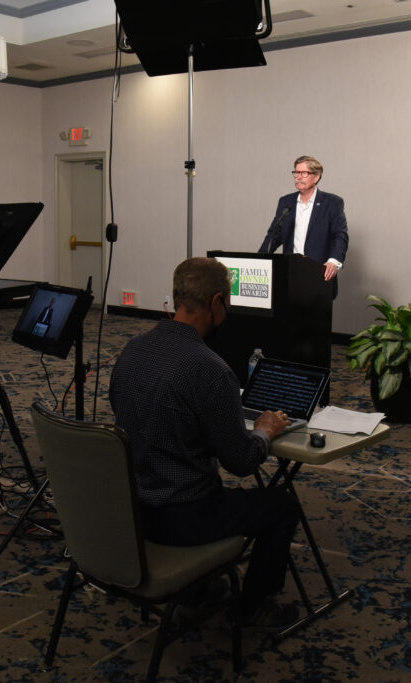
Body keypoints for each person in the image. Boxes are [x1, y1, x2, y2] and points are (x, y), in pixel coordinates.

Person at [109, 257, 303, 628]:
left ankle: (200, 591)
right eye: (227, 304)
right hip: (184, 518)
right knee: (282, 506)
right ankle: (250, 610)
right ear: (216, 302)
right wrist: (264, 430)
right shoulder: (210, 370)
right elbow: (241, 462)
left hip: (132, 514)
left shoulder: (132, 352)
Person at [259, 155, 349, 297]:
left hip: (319, 275)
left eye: (304, 173)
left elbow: (340, 235)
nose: (298, 177)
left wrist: (334, 261)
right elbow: (274, 235)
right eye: (296, 172)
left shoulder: (332, 202)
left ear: (316, 177)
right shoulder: (286, 202)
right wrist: (259, 260)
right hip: (290, 275)